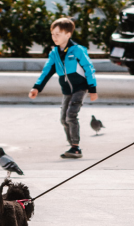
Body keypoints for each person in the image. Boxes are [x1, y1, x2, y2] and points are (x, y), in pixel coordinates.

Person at [28, 17, 98, 159]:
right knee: (63, 119)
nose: (54, 37)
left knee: (71, 115)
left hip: (80, 88)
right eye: (53, 34)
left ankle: (75, 147)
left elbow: (89, 68)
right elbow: (47, 71)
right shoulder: (54, 54)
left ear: (68, 34)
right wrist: (37, 87)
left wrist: (92, 89)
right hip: (67, 91)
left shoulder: (77, 51)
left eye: (58, 34)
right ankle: (72, 145)